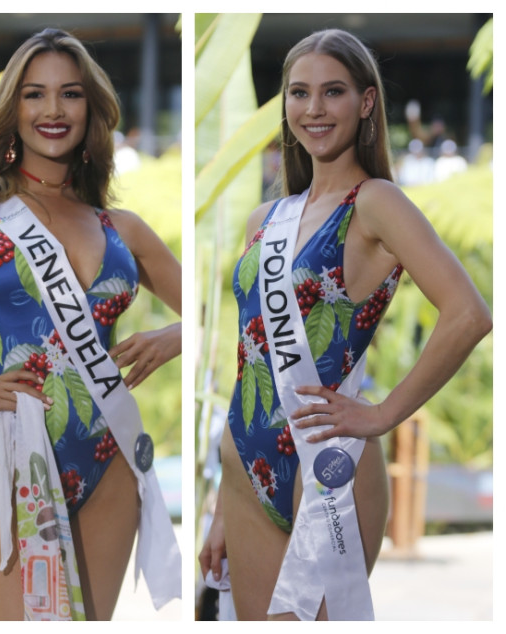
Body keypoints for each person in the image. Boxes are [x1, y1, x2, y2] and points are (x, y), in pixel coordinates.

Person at [0, 28, 181, 620]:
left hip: (110, 463)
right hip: (7, 457)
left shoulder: (123, 228)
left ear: (90, 109)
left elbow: (236, 308)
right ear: (11, 111)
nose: (52, 110)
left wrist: (175, 336)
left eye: (70, 94)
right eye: (33, 94)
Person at [198, 29, 491, 621]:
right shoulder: (264, 217)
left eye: (332, 92)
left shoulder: (377, 203)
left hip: (327, 465)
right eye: (298, 93)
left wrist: (383, 414)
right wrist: (221, 509)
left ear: (365, 103)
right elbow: (250, 352)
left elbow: (470, 314)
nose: (313, 109)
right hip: (243, 467)